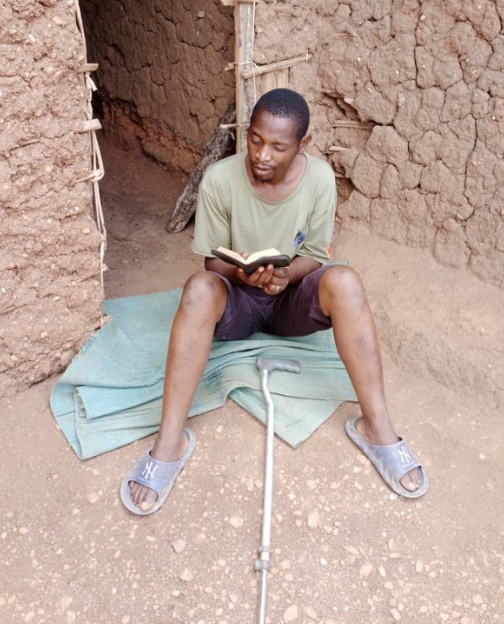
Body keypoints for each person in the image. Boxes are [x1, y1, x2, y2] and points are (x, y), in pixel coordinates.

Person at [120, 88, 428, 516]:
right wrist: (244, 275)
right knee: (196, 289)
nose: (262, 155)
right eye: (255, 140)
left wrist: (285, 277)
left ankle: (377, 428)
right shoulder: (221, 179)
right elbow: (212, 261)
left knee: (346, 282)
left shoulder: (319, 179)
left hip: (289, 304)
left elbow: (317, 254)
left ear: (303, 144)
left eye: (278, 146)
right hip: (237, 303)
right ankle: (169, 441)